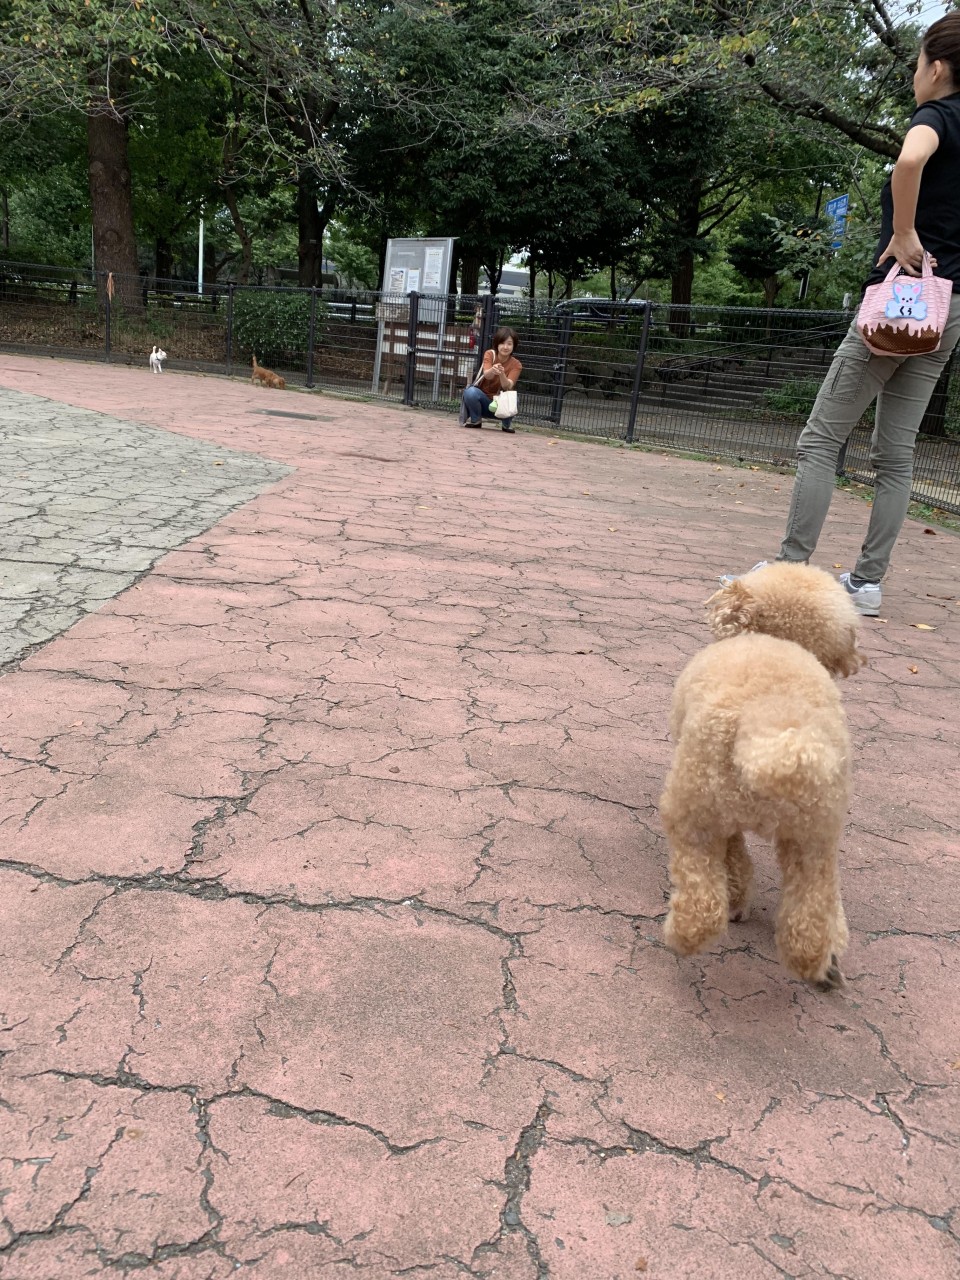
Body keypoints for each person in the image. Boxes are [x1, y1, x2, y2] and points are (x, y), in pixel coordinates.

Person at [723, 13, 960, 616]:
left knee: (820, 439)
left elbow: (909, 162)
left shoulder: (936, 117)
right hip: (949, 307)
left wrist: (904, 232)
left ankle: (791, 569)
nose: (914, 76)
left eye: (915, 65)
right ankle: (868, 583)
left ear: (936, 66)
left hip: (900, 299)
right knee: (896, 452)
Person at [461, 326, 522, 433]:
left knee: (515, 399)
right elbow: (487, 375)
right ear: (497, 344)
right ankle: (476, 420)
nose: (505, 347)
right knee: (470, 392)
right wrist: (493, 371)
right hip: (484, 403)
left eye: (509, 343)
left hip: (502, 406)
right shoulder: (490, 354)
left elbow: (507, 386)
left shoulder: (516, 364)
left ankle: (506, 425)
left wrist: (502, 374)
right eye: (502, 343)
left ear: (514, 346)